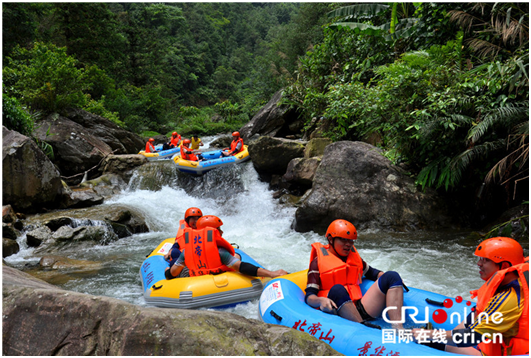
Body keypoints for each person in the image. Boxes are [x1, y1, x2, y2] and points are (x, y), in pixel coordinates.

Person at [412, 237, 528, 356]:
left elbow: (471, 337)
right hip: (501, 341)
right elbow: (478, 313)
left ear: (504, 266)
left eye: (485, 260)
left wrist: (429, 335)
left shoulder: (508, 298)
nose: (479, 264)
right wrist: (446, 334)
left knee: (437, 342)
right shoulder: (515, 280)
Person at [305, 219, 407, 329]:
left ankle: (397, 327)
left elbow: (372, 272)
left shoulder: (353, 258)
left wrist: (391, 280)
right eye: (344, 240)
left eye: (351, 241)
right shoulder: (317, 262)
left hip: (358, 308)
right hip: (338, 310)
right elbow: (309, 296)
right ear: (330, 239)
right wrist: (321, 300)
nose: (348, 245)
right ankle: (362, 329)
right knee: (337, 290)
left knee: (392, 276)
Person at [165, 215, 288, 279]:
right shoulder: (220, 252)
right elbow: (241, 267)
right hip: (218, 275)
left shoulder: (186, 251)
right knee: (236, 256)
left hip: (194, 275)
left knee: (168, 270)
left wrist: (167, 274)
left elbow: (173, 273)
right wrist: (272, 274)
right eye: (219, 229)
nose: (222, 232)